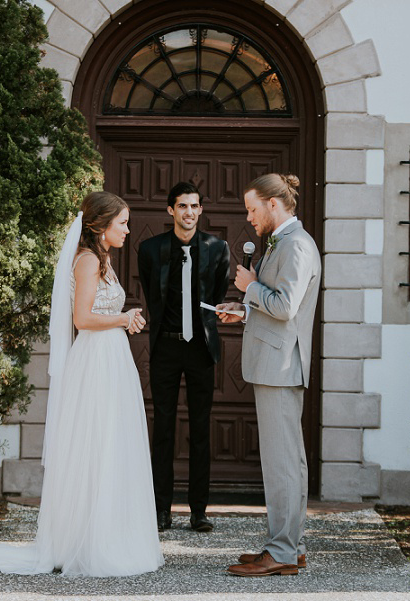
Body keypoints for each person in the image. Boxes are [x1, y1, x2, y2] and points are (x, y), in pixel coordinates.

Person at [0, 191, 163, 577]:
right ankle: (87, 541)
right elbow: (82, 319)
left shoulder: (103, 259)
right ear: (100, 225)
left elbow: (99, 312)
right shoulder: (88, 260)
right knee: (95, 444)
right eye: (122, 223)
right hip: (95, 361)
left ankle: (110, 535)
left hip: (111, 357)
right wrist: (123, 318)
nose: (128, 230)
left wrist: (123, 321)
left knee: (111, 443)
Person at [216, 173, 320, 577]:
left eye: (252, 208)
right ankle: (291, 546)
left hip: (280, 367)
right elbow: (273, 308)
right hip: (275, 362)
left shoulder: (295, 245)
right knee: (288, 461)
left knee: (282, 464)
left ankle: (280, 552)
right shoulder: (287, 242)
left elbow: (285, 306)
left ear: (273, 205)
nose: (249, 216)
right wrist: (242, 309)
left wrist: (250, 286)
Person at [137, 182, 230, 533]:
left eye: (194, 206)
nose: (189, 212)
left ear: (201, 210)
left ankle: (199, 511)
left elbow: (217, 293)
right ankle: (162, 510)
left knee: (200, 429)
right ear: (170, 211)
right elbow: (151, 292)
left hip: (201, 348)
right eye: (182, 206)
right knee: (163, 429)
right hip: (166, 346)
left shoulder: (217, 248)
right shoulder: (149, 249)